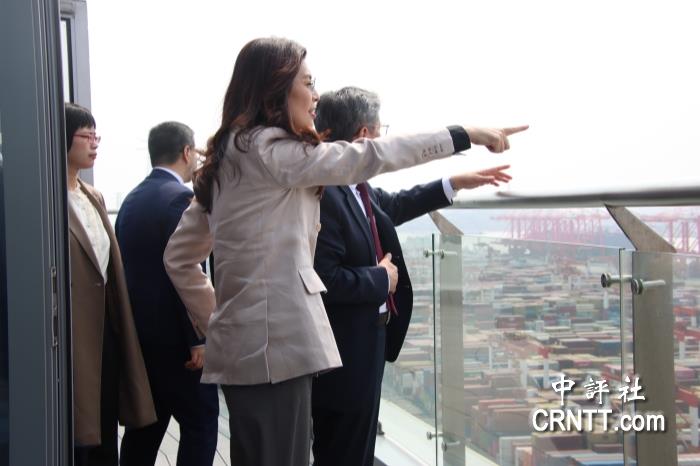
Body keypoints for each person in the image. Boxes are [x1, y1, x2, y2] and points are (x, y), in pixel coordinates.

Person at [163, 37, 527, 466]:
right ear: (276, 88)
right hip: (273, 354)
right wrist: (465, 134)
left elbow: (179, 257)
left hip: (253, 350)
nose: (315, 95)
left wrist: (220, 322)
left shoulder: (229, 157)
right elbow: (371, 155)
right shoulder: (269, 151)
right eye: (308, 82)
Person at [311, 87, 512, 465]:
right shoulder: (327, 194)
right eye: (380, 129)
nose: (383, 137)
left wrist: (454, 183)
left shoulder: (355, 188)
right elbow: (325, 280)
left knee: (356, 448)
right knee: (342, 451)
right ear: (364, 135)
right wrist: (380, 279)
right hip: (345, 353)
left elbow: (394, 206)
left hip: (366, 344)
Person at [115, 121, 219, 466]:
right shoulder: (179, 199)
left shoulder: (132, 199)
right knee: (201, 424)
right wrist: (197, 338)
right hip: (179, 342)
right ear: (187, 152)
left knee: (146, 427)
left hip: (143, 336)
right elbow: (182, 273)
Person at [65, 102, 156, 466]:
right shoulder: (46, 198)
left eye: (95, 136)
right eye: (86, 135)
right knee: (79, 430)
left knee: (103, 421)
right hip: (72, 330)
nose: (94, 143)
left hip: (106, 326)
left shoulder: (93, 195)